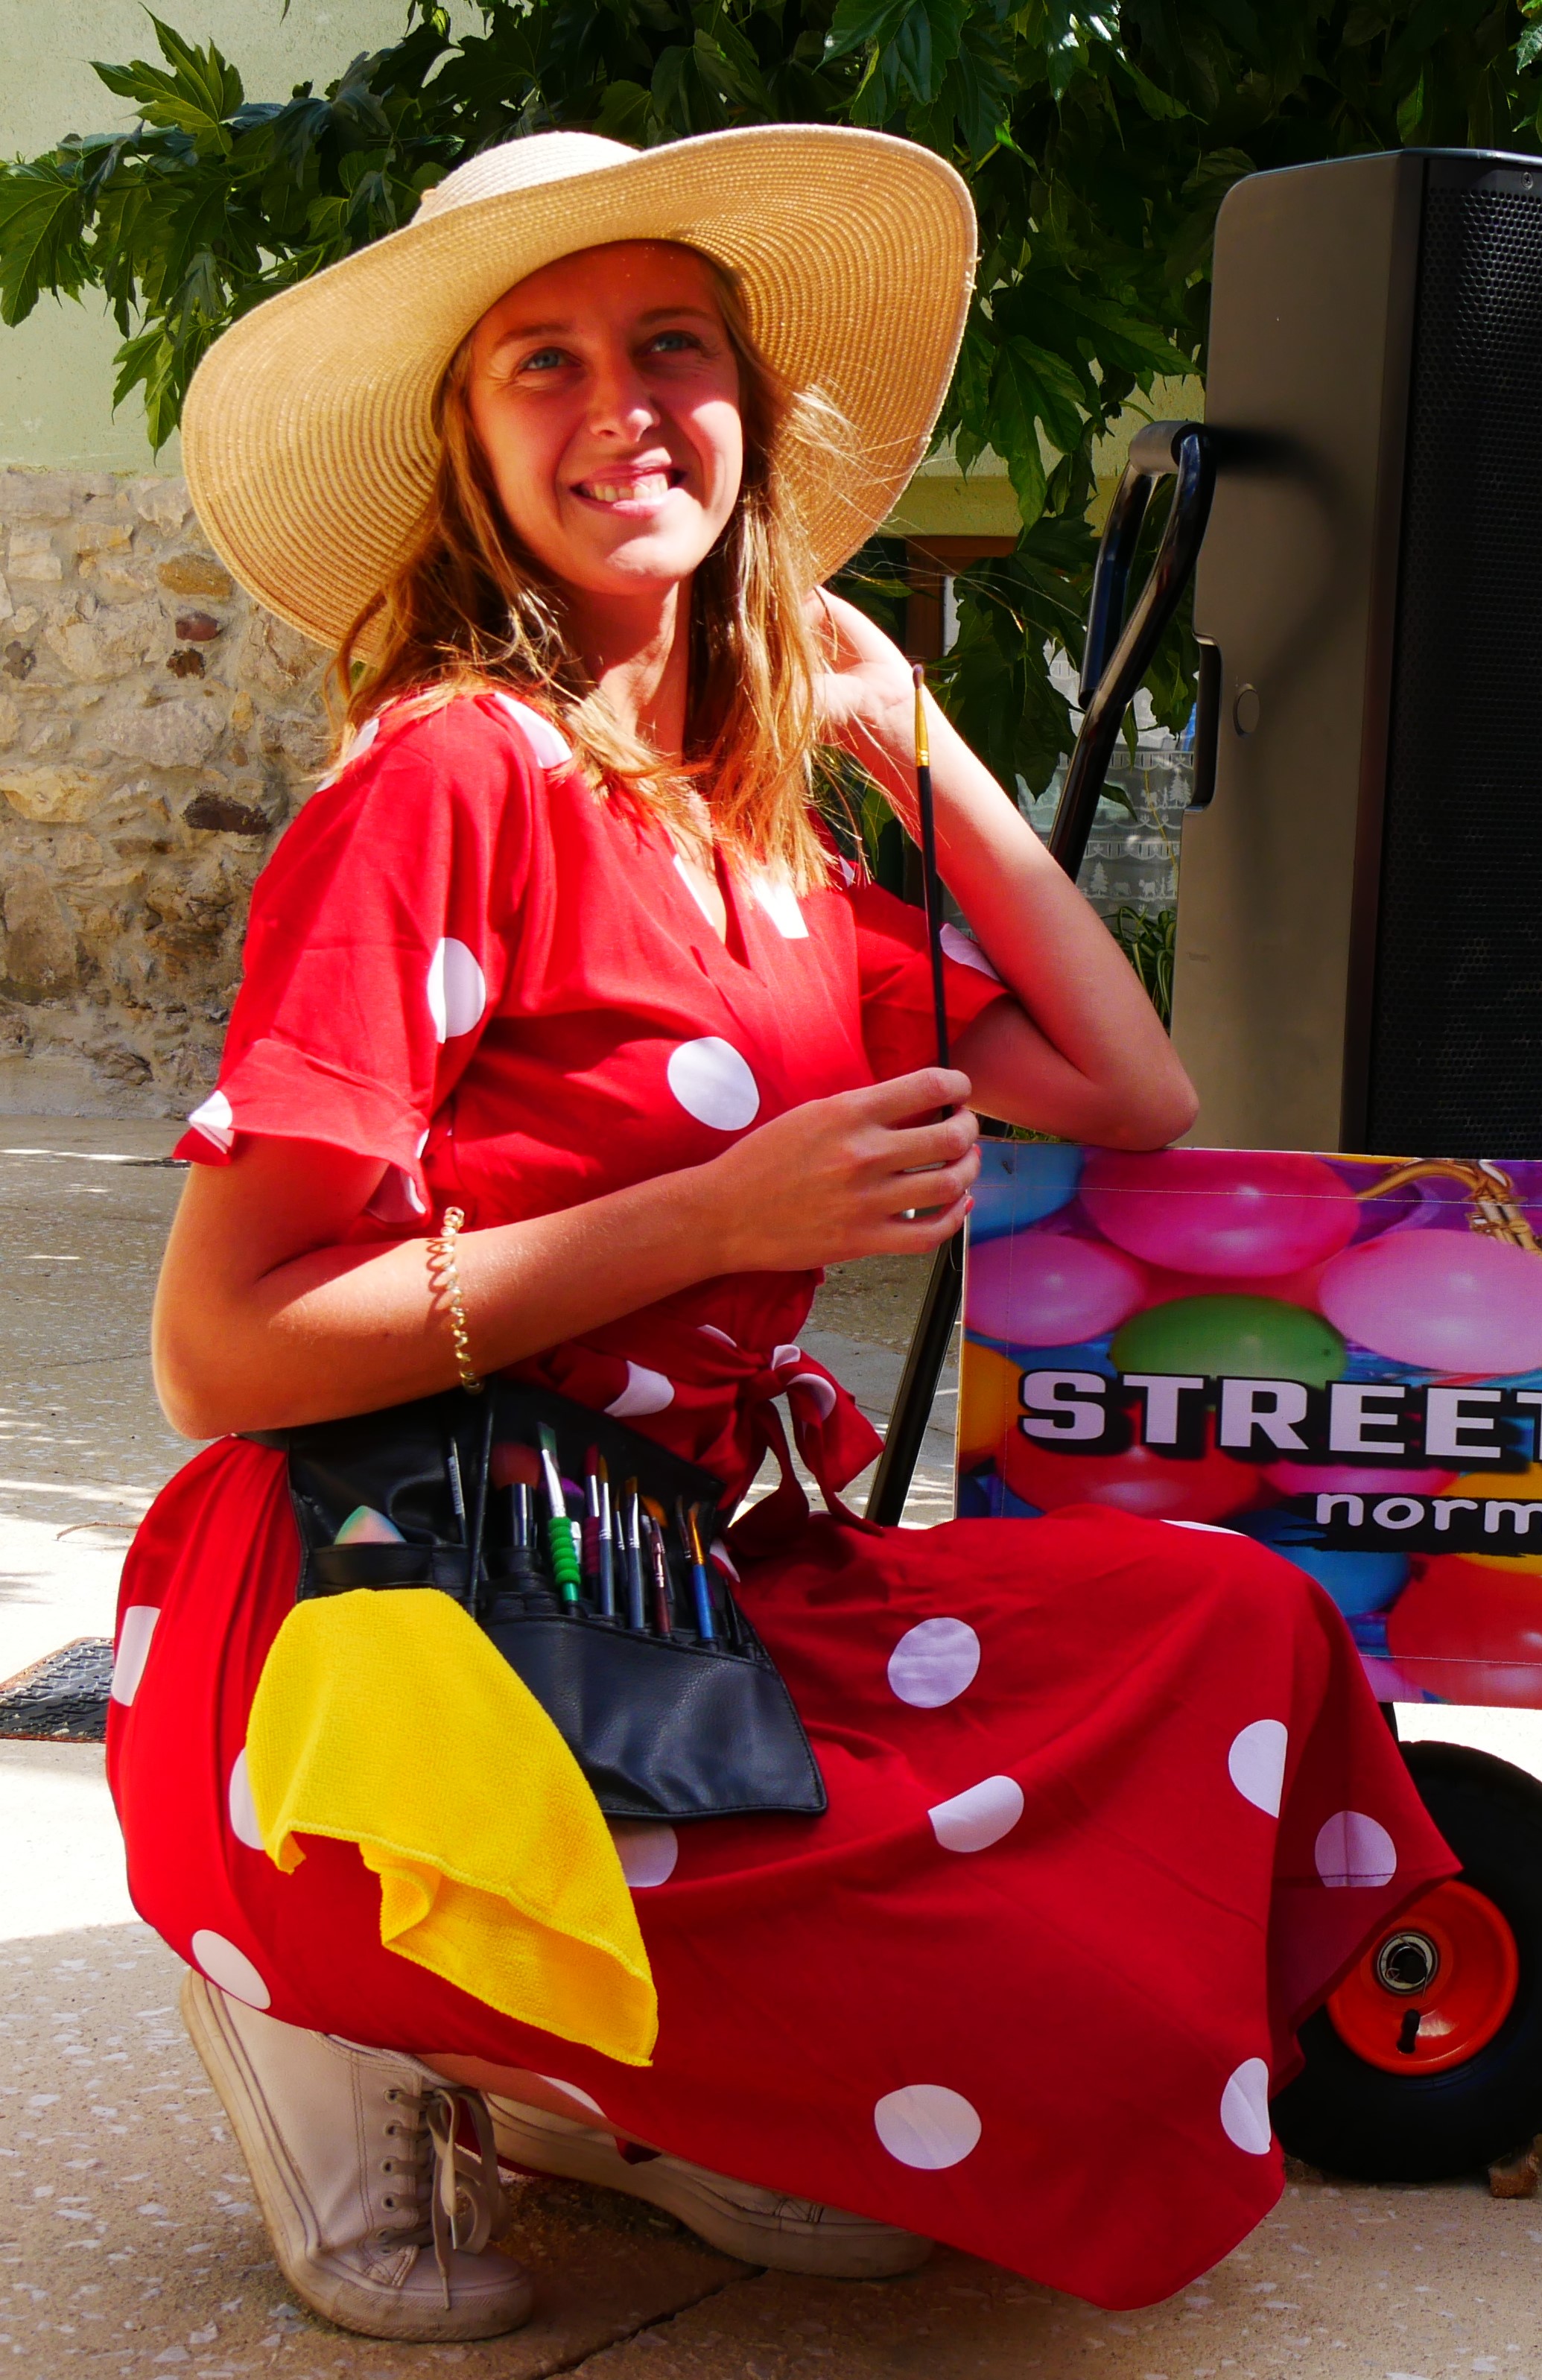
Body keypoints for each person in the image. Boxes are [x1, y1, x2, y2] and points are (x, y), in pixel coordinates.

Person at [110, 124, 1450, 2341]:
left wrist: (911, 735)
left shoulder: (761, 839)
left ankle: (577, 2065)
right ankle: (342, 1980)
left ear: (752, 410)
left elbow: (1130, 1085)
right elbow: (223, 1357)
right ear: (464, 448)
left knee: (1223, 1628)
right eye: (538, 361)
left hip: (680, 1581)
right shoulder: (444, 781)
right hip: (403, 1621)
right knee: (937, 2043)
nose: (618, 400)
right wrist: (708, 1217)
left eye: (671, 346)